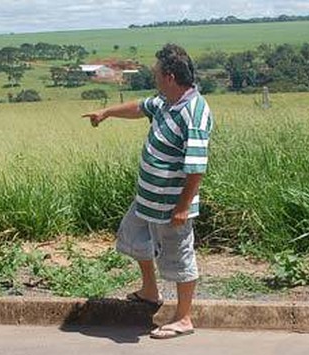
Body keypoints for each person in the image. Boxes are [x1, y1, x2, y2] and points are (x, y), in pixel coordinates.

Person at [82, 43, 213, 339]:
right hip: (147, 199)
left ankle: (184, 318)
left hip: (171, 204)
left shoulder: (193, 111)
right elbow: (141, 107)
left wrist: (182, 207)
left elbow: (195, 168)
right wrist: (107, 112)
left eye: (156, 73)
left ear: (169, 76)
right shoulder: (166, 101)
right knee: (133, 236)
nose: (153, 77)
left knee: (179, 256)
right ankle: (150, 292)